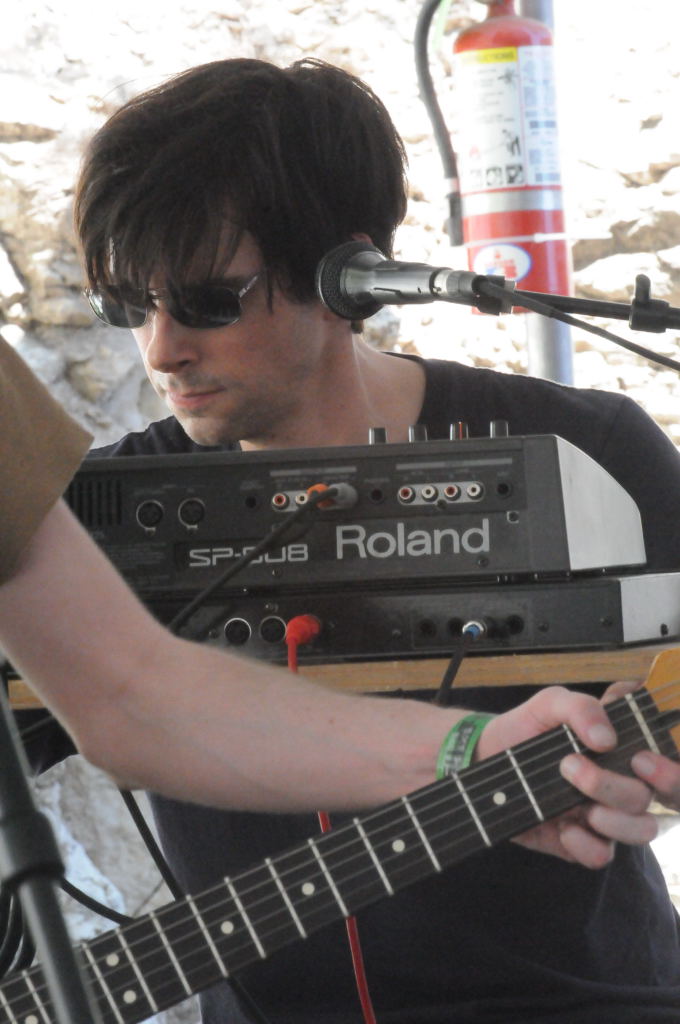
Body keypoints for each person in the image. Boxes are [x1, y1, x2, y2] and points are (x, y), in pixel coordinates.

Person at [16, 56, 680, 1023]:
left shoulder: (592, 451)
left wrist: (649, 783)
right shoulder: (93, 518)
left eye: (206, 301)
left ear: (345, 280)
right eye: (129, 306)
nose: (161, 349)